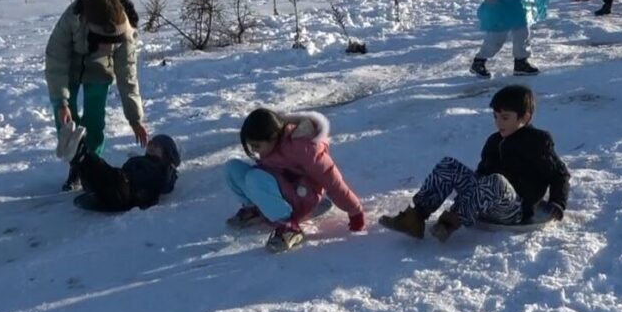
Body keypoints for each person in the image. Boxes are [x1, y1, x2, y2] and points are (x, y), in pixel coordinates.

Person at [379, 85, 570, 242]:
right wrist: (470, 193)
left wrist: (557, 202)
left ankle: (450, 222)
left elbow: (559, 174)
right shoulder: (494, 141)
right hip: (484, 202)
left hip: (515, 208)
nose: (498, 123)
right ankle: (416, 217)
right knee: (449, 165)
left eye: (505, 118)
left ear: (525, 117)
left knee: (496, 181)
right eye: (495, 117)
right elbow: (481, 174)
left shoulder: (538, 141)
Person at [44, 0, 149, 191]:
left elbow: (127, 77)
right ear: (87, 25)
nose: (109, 48)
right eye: (104, 42)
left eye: (114, 43)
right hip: (69, 69)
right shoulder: (72, 19)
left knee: (94, 121)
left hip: (100, 72)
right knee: (66, 120)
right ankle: (76, 162)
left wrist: (135, 119)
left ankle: (89, 167)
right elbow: (55, 61)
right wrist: (62, 101)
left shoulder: (125, 32)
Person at [224, 108, 366, 253]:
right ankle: (255, 208)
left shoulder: (304, 147)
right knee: (232, 168)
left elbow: (332, 180)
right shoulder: (273, 144)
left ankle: (289, 226)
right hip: (280, 188)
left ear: (273, 137)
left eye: (257, 146)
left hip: (302, 195)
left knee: (255, 178)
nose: (255, 151)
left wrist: (355, 211)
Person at [57, 124, 180, 211]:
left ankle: (80, 151)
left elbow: (165, 185)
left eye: (157, 146)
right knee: (99, 177)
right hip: (120, 190)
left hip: (129, 194)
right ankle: (74, 154)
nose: (151, 146)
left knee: (106, 173)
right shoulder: (139, 160)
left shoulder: (163, 169)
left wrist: (170, 169)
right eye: (151, 143)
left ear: (167, 154)